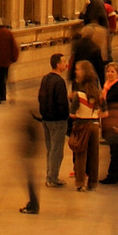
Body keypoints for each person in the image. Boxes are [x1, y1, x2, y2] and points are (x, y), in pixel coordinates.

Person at [36, 52, 71, 186]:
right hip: (57, 120)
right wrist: (65, 118)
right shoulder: (59, 82)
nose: (66, 64)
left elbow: (41, 97)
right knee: (56, 151)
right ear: (58, 64)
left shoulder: (45, 79)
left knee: (50, 149)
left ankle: (49, 175)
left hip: (46, 119)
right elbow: (62, 103)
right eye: (64, 61)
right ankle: (52, 178)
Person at [69, 60, 102, 192]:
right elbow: (104, 112)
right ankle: (93, 183)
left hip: (81, 125)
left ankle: (80, 182)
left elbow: (72, 114)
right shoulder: (98, 94)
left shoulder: (78, 94)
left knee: (80, 154)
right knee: (94, 156)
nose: (76, 71)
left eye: (78, 69)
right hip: (94, 125)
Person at [0, 17, 18, 105]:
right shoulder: (8, 33)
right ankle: (2, 96)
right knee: (3, 79)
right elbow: (14, 47)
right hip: (6, 61)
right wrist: (14, 58)